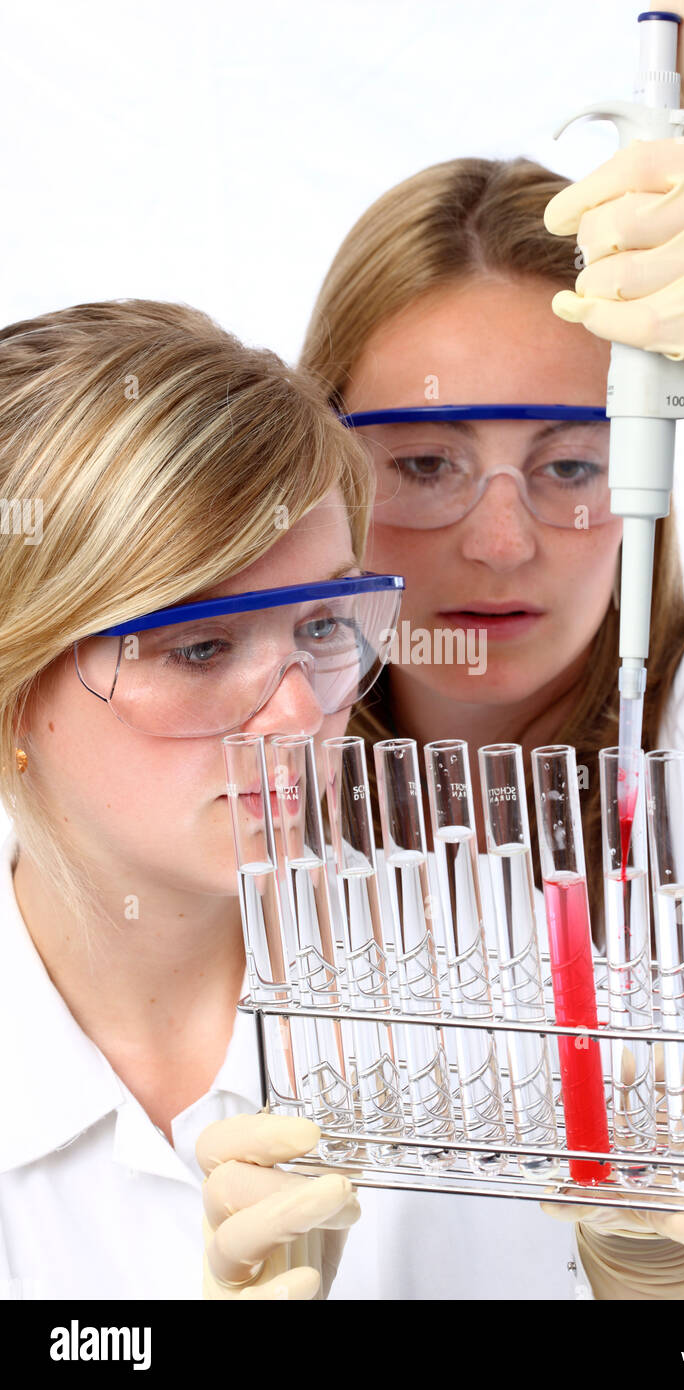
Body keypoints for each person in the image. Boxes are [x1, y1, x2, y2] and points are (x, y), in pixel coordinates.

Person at [292, 0, 684, 1299]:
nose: (501, 542)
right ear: (318, 459)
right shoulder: (231, 793)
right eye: (427, 462)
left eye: (568, 463)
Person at [0, 298, 372, 1299]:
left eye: (325, 623)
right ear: (14, 691)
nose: (296, 713)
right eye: (201, 646)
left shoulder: (489, 986)